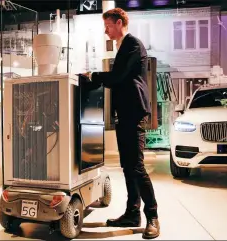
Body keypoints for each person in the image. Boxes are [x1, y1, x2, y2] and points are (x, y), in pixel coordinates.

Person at [81, 8, 160, 239]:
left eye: (107, 26)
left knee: (136, 166)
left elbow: (118, 77)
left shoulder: (132, 44)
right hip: (125, 112)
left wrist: (92, 76)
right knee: (127, 166)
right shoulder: (123, 46)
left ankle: (153, 217)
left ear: (118, 23)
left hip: (134, 112)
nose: (105, 31)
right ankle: (132, 213)